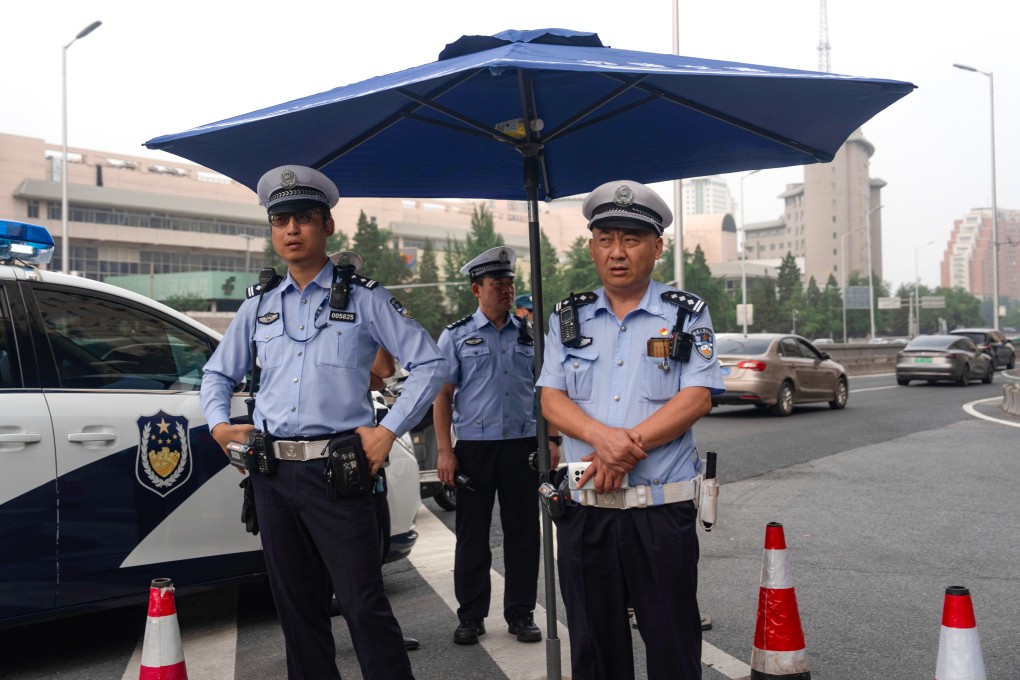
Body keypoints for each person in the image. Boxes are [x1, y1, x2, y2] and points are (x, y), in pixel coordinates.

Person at [201, 165, 447, 680]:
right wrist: (219, 426)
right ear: (272, 230)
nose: (291, 230)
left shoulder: (365, 298)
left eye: (304, 218)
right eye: (280, 220)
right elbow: (216, 373)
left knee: (363, 607)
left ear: (327, 227)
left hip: (339, 475)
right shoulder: (259, 305)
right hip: (272, 478)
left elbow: (432, 363)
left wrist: (388, 430)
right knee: (297, 613)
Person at [536, 179, 724, 680]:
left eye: (632, 239)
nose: (616, 253)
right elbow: (551, 398)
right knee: (595, 653)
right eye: (605, 239)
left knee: (672, 646)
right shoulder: (567, 318)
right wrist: (605, 441)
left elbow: (697, 396)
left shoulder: (686, 314)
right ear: (592, 245)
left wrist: (621, 450)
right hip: (586, 512)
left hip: (659, 513)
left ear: (656, 247)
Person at [433, 246, 552, 646]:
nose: (506, 290)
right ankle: (470, 615)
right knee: (472, 535)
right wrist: (446, 451)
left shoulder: (530, 334)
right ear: (475, 289)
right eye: (497, 284)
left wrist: (550, 441)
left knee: (523, 534)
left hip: (523, 448)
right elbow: (442, 396)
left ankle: (521, 614)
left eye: (510, 283)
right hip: (475, 449)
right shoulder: (457, 336)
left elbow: (548, 393)